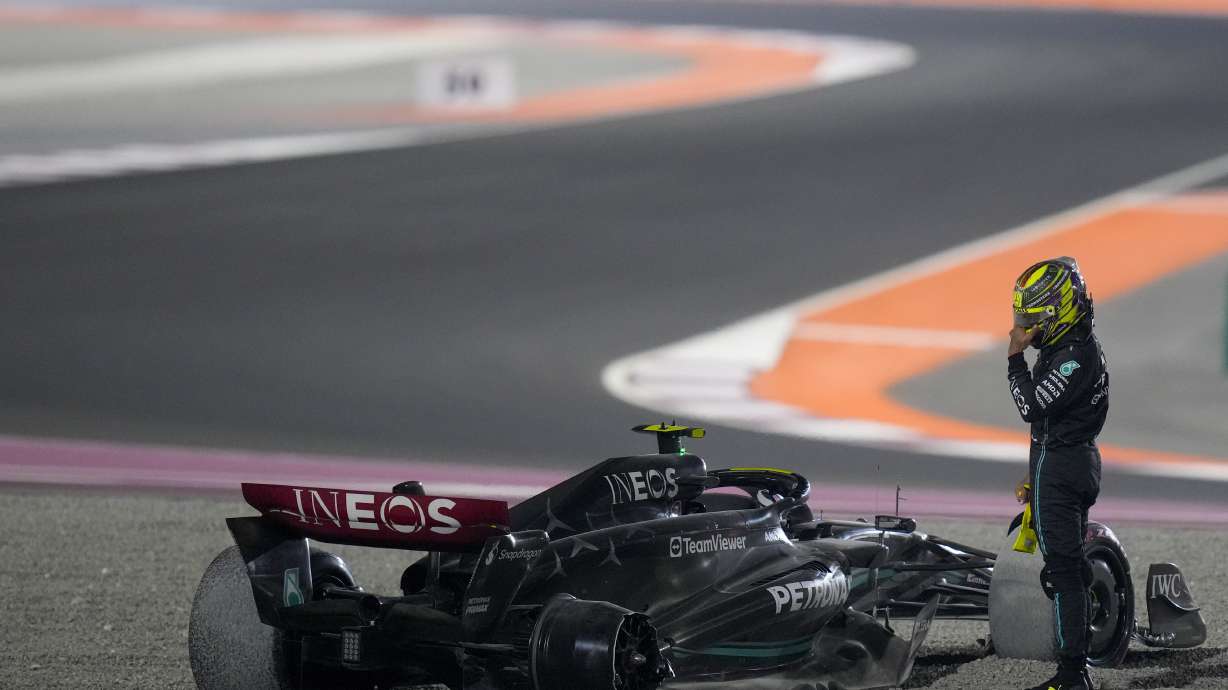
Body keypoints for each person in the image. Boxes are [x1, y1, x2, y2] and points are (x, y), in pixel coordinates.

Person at [1007, 256, 1109, 690]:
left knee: (1064, 572)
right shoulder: (1074, 348)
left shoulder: (1072, 359)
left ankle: (1072, 675)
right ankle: (1075, 669)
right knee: (1068, 567)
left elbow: (1031, 407)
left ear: (1056, 312)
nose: (1022, 328)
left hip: (1064, 467)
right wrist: (1036, 476)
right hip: (1067, 463)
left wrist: (1014, 359)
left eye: (1030, 319)